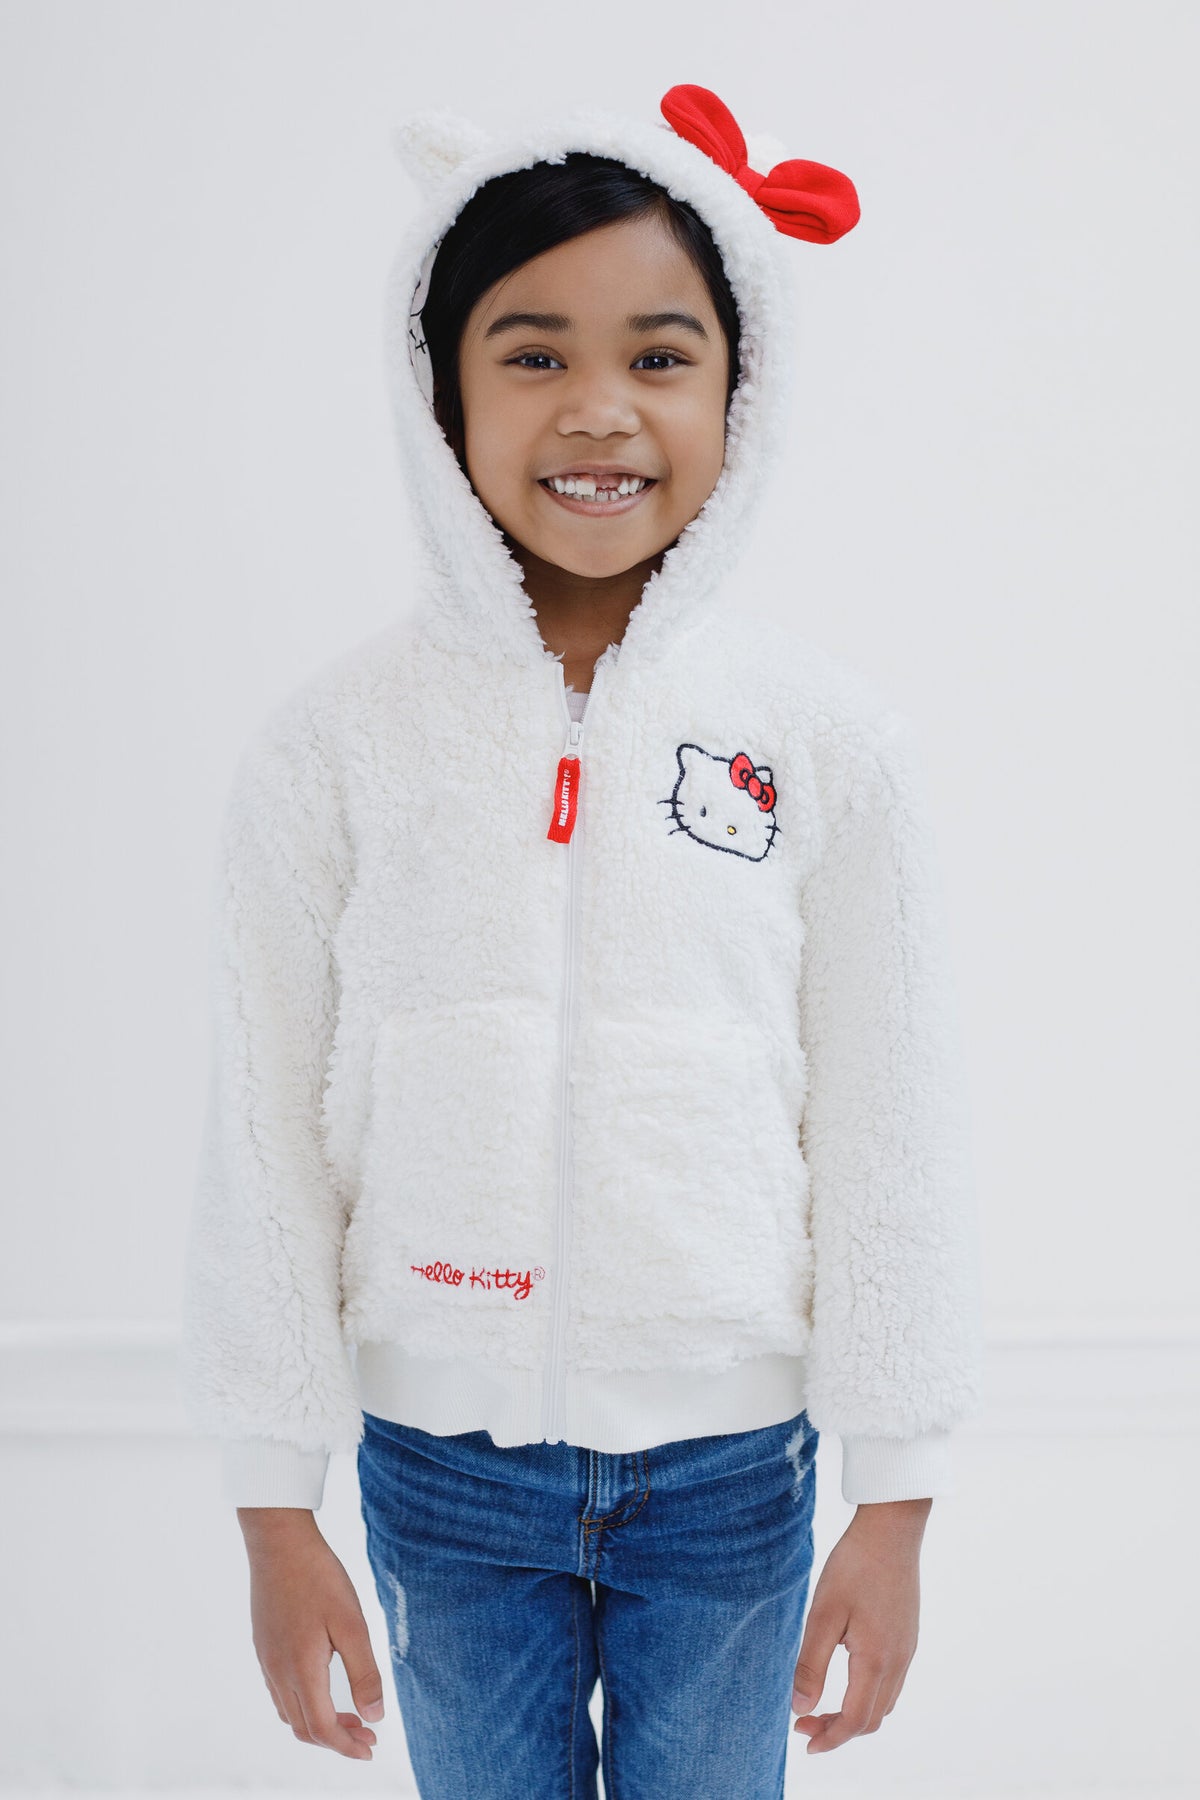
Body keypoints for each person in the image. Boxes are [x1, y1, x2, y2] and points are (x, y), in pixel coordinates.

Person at [181, 81, 984, 1800]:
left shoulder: (825, 745)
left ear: (740, 390)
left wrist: (896, 1491)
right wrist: (272, 1504)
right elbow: (260, 1131)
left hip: (731, 1466)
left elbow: (892, 1123)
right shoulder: (336, 747)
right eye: (533, 353)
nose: (600, 408)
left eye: (661, 355)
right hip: (441, 1466)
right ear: (440, 394)